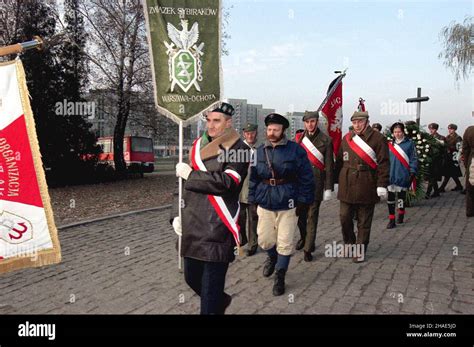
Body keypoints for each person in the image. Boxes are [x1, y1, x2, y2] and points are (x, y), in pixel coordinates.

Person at [170, 102, 250, 314]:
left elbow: (228, 182)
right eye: (209, 120)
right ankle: (219, 301)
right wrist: (175, 215)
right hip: (192, 225)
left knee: (209, 295)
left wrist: (192, 175)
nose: (211, 125)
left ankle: (214, 304)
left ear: (228, 122)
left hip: (217, 227)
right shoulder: (197, 146)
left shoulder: (239, 148)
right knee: (191, 278)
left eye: (217, 121)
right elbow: (181, 187)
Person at [248, 113, 314, 296]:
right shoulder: (259, 152)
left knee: (284, 242)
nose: (271, 132)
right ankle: (272, 257)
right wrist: (252, 200)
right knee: (265, 240)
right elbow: (253, 178)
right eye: (269, 129)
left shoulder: (296, 151)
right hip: (265, 201)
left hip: (288, 202)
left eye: (275, 129)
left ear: (283, 130)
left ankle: (280, 275)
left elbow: (306, 177)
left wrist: (304, 201)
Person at [335, 111, 390, 262]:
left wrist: (382, 184)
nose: (357, 125)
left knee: (364, 220)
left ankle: (360, 249)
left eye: (360, 122)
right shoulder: (347, 139)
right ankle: (349, 243)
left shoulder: (378, 138)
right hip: (347, 183)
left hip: (367, 182)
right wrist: (332, 181)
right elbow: (339, 160)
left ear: (367, 121)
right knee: (344, 217)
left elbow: (384, 162)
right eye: (354, 122)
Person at [294, 111, 334, 262]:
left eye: (313, 121)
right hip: (299, 184)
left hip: (316, 183)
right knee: (299, 216)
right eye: (307, 122)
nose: (310, 124)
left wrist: (328, 187)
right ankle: (304, 238)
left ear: (317, 122)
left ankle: (308, 248)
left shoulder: (326, 140)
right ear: (304, 123)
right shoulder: (298, 139)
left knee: (312, 216)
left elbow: (329, 166)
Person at [386, 122, 418, 229]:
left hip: (403, 174)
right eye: (395, 132)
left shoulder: (409, 144)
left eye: (399, 131)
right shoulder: (389, 144)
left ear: (403, 132)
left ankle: (401, 213)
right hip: (391, 174)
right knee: (390, 197)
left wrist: (412, 172)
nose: (397, 134)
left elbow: (413, 158)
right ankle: (391, 219)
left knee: (401, 197)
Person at [238, 123, 259, 256]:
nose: (250, 135)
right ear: (244, 134)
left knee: (253, 218)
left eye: (252, 133)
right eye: (247, 133)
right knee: (240, 217)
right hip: (240, 189)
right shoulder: (239, 149)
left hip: (255, 189)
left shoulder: (261, 149)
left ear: (255, 133)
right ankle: (242, 239)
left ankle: (253, 244)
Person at [439, 124, 463, 192]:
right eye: (449, 129)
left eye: (451, 129)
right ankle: (459, 186)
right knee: (452, 173)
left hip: (454, 157)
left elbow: (459, 148)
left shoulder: (458, 137)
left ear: (455, 129)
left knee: (449, 173)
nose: (449, 130)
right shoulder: (447, 137)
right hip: (448, 157)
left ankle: (442, 187)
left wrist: (449, 147)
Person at [426, 123, 446, 198]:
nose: (431, 130)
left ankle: (428, 193)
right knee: (431, 176)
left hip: (437, 160)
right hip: (430, 160)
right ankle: (436, 192)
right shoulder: (428, 137)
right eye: (430, 129)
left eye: (433, 129)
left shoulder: (441, 138)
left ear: (436, 129)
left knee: (433, 176)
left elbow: (444, 147)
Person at [462, 126, 474, 217]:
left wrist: (466, 164)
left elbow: (465, 149)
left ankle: (470, 210)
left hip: (472, 160)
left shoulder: (469, 130)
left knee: (470, 187)